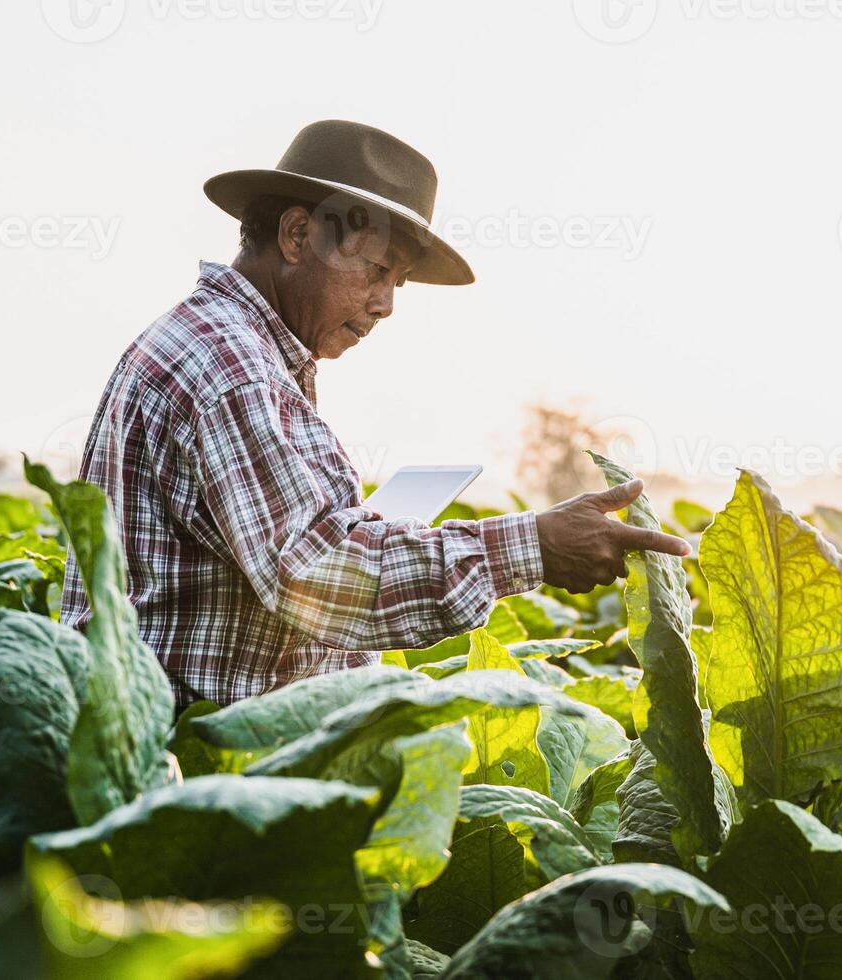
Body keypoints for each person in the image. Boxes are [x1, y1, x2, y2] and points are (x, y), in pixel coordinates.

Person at [60, 119, 688, 708]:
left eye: (399, 282)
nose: (385, 304)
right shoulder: (232, 367)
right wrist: (533, 546)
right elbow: (315, 574)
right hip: (189, 784)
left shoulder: (239, 349)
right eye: (377, 270)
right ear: (297, 236)